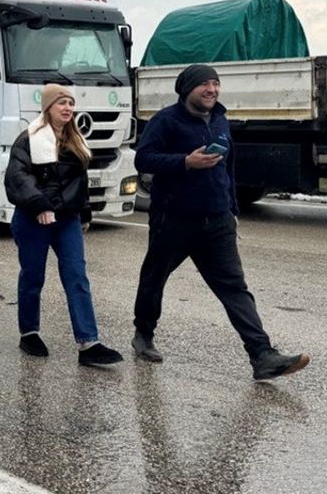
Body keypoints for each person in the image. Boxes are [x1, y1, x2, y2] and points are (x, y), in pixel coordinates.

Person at [132, 64, 310, 380]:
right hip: (173, 220)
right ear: (187, 89)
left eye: (215, 84)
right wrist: (186, 161)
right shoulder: (166, 121)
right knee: (154, 278)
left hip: (216, 222)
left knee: (234, 288)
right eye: (204, 85)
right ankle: (143, 334)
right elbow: (143, 158)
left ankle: (262, 355)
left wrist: (232, 211)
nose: (212, 90)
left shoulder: (219, 120)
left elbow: (229, 168)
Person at [6, 83, 123, 367]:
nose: (68, 108)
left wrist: (84, 214)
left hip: (66, 220)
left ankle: (88, 343)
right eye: (62, 103)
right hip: (34, 219)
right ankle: (29, 333)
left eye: (71, 103)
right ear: (48, 107)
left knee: (77, 277)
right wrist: (40, 206)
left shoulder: (75, 140)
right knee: (33, 277)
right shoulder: (29, 139)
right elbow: (18, 178)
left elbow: (78, 183)